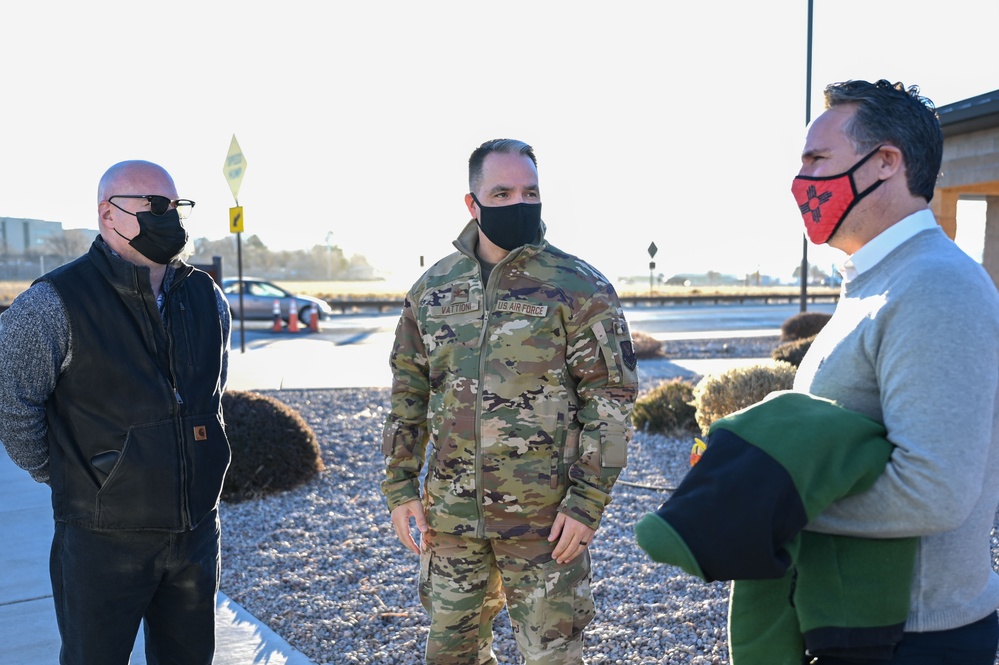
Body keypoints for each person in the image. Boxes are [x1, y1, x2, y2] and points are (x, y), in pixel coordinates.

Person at [381, 138, 638, 664]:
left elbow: (611, 402)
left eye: (530, 192)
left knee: (551, 657)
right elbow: (408, 395)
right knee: (451, 654)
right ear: (472, 204)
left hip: (546, 521)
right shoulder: (432, 291)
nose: (519, 203)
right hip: (451, 518)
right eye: (502, 193)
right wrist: (400, 486)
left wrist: (588, 502)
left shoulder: (579, 286)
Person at [789, 80, 999, 663]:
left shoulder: (936, 286)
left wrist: (773, 502)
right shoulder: (879, 280)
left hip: (911, 638)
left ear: (886, 162)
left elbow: (934, 491)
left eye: (817, 159)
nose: (801, 180)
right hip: (864, 625)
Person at [0, 160, 232, 665]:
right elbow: (12, 405)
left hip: (195, 534)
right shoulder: (53, 302)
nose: (168, 218)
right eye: (154, 206)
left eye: (175, 206)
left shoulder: (206, 295)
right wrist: (82, 477)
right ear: (108, 214)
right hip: (102, 541)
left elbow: (211, 394)